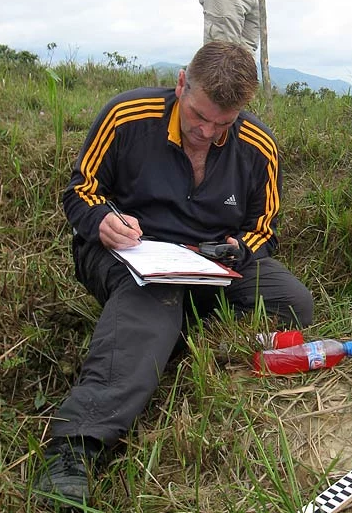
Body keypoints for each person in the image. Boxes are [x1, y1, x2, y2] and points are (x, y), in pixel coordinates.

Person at [34, 42, 313, 506]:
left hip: (212, 264)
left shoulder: (257, 145)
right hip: (126, 252)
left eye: (223, 124)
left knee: (293, 304)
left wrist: (238, 250)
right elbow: (79, 191)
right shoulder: (127, 115)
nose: (206, 132)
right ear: (182, 83)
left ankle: (158, 332)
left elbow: (265, 229)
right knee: (156, 298)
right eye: (198, 115)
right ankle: (75, 446)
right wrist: (102, 219)